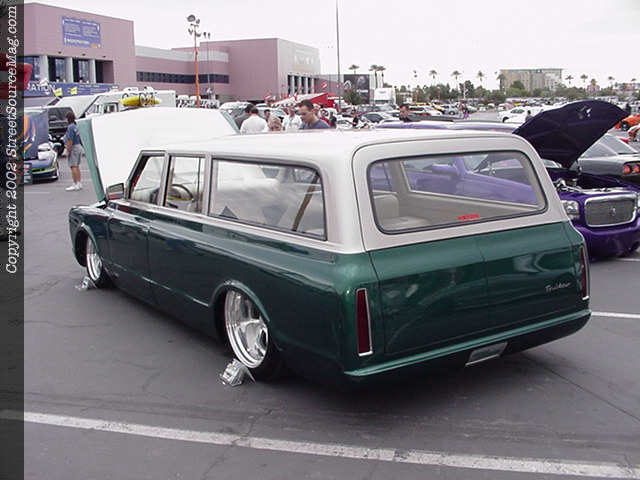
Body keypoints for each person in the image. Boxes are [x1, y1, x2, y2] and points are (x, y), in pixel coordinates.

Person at [62, 111, 84, 191]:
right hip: (78, 146)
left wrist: (67, 150)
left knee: (73, 166)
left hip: (73, 147)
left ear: (68, 119)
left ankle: (75, 183)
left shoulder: (70, 127)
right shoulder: (75, 126)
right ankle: (79, 183)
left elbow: (70, 140)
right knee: (77, 166)